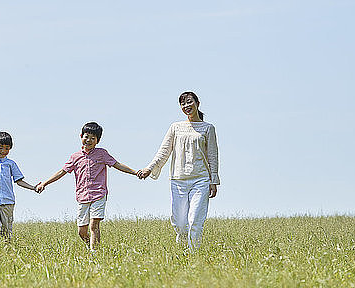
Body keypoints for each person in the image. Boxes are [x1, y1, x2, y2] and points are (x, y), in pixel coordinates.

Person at [36, 122, 138, 250]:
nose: (89, 140)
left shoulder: (102, 154)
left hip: (98, 194)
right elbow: (61, 172)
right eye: (86, 136)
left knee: (94, 225)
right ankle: (91, 246)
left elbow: (117, 164)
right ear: (81, 136)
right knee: (81, 231)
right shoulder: (75, 157)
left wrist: (135, 172)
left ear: (98, 141)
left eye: (93, 138)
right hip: (82, 196)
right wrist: (45, 183)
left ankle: (95, 253)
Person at [137, 91, 220, 250]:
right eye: (183, 103)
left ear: (197, 103)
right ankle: (182, 250)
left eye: (190, 102)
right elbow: (164, 151)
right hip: (178, 180)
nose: (187, 106)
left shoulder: (208, 128)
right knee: (180, 223)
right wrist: (150, 168)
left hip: (201, 180)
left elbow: (213, 156)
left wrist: (214, 181)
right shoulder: (175, 127)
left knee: (195, 220)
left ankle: (193, 255)